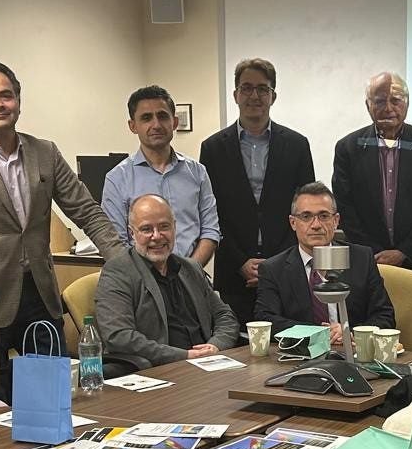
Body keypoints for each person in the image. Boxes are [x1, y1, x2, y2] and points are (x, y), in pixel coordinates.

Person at [0, 61, 122, 388]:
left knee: (56, 392)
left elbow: (86, 210)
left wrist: (123, 263)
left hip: (40, 292)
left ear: (18, 100)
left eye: (6, 95)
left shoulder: (45, 152)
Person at [199, 57, 317, 325]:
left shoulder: (297, 145)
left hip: (287, 269)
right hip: (234, 271)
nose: (254, 95)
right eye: (247, 88)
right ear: (235, 94)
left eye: (262, 89)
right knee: (236, 352)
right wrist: (241, 261)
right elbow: (212, 214)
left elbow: (305, 211)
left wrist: (274, 264)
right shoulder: (213, 148)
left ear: (273, 96)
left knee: (289, 344)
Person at [94, 195, 240, 369]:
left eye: (164, 227)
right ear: (132, 233)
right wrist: (185, 356)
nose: (157, 236)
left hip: (208, 365)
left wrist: (215, 346)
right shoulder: (118, 272)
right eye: (147, 229)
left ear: (174, 227)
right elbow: (119, 337)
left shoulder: (190, 268)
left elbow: (225, 316)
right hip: (160, 369)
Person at [332, 72, 412, 276]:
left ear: (407, 103)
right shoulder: (347, 148)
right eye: (379, 101)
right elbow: (345, 208)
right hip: (366, 260)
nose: (388, 108)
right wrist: (374, 252)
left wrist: (404, 251)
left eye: (396, 100)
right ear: (367, 105)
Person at [254, 182, 395, 342]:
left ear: (336, 220)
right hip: (302, 356)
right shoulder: (273, 269)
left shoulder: (362, 258)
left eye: (323, 216)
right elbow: (266, 321)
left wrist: (352, 333)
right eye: (306, 217)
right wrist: (317, 333)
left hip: (353, 352)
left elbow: (384, 316)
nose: (316, 225)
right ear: (293, 223)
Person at [100, 85, 220, 268]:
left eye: (162, 116)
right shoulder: (117, 179)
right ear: (133, 126)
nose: (156, 125)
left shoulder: (198, 173)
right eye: (146, 118)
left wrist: (188, 274)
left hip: (193, 279)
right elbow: (117, 243)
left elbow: (210, 231)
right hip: (142, 286)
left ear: (174, 122)